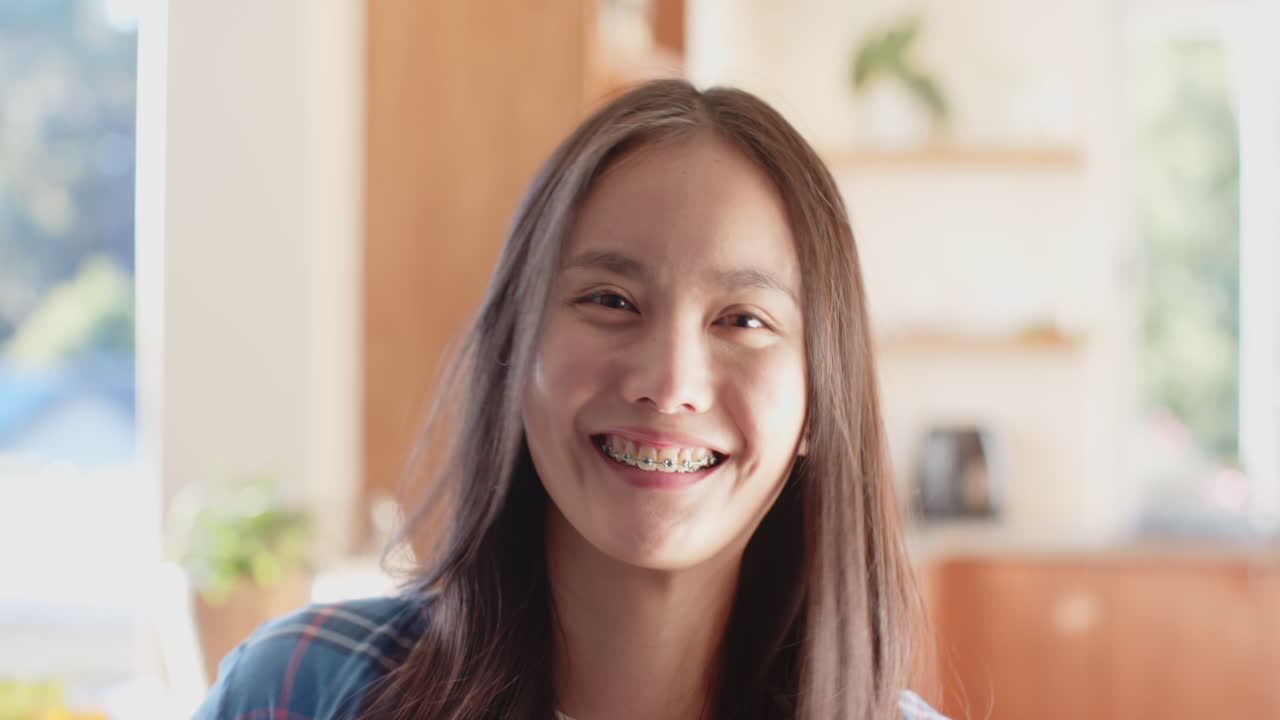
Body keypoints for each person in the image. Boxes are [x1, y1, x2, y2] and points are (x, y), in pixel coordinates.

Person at [194, 79, 950, 720]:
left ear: (821, 397)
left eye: (743, 320)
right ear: (515, 346)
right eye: (610, 300)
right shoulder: (297, 690)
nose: (669, 382)